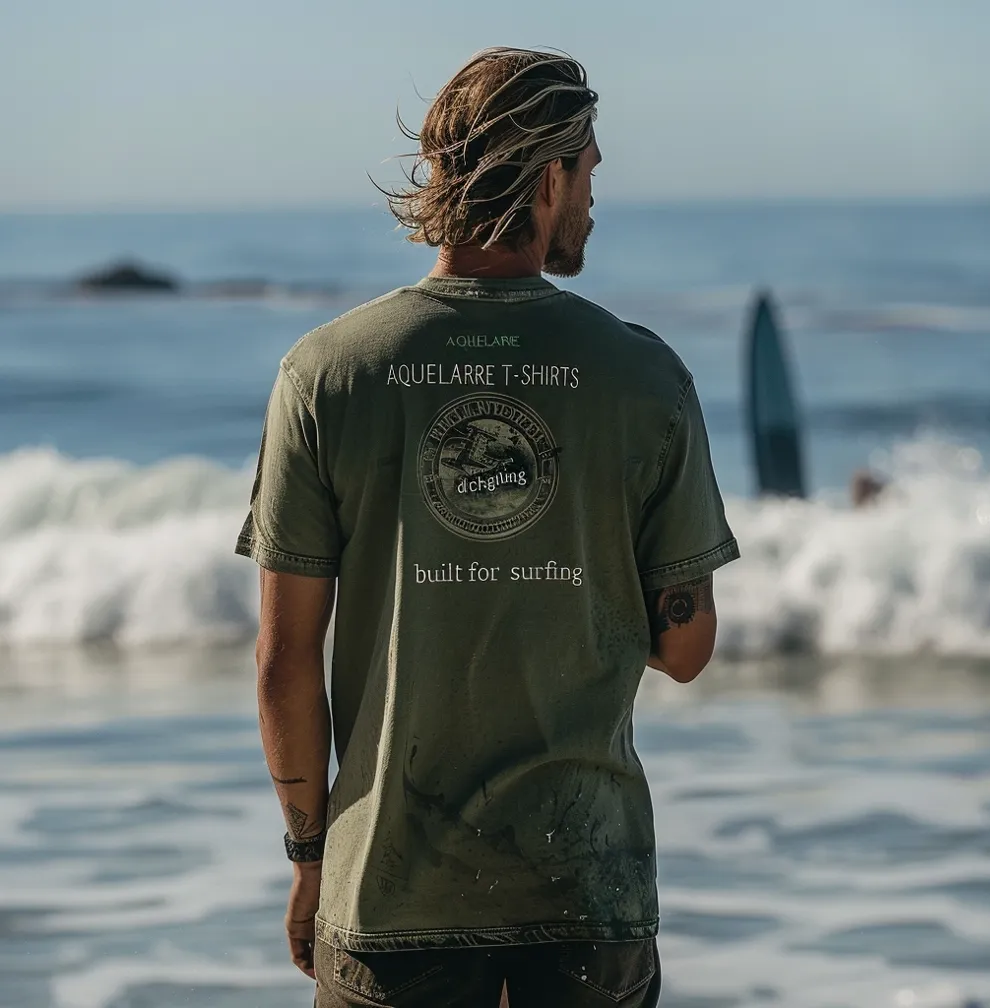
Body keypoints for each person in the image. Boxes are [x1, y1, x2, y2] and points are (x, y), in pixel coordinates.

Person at [236, 46, 739, 1008]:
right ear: (550, 174)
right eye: (589, 173)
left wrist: (310, 857)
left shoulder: (327, 373)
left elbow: (283, 657)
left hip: (385, 894)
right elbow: (685, 649)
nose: (592, 200)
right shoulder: (644, 378)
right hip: (587, 896)